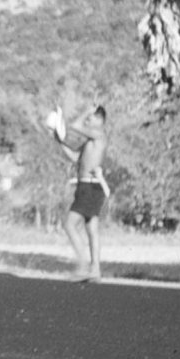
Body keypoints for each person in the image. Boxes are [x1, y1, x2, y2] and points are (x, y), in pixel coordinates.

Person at [47, 105, 110, 281]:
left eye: (91, 118)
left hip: (90, 187)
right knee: (91, 229)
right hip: (87, 187)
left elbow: (75, 125)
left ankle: (82, 267)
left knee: (69, 224)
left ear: (99, 120)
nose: (87, 120)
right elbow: (76, 158)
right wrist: (59, 141)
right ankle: (95, 270)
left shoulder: (99, 135)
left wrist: (86, 111)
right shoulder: (90, 141)